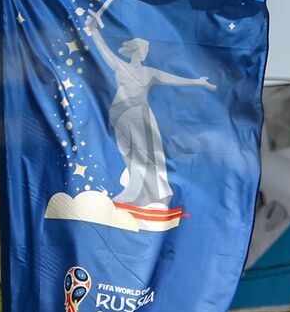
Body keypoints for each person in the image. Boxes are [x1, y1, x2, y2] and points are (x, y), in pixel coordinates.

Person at [83, 15, 217, 208]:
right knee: (129, 151)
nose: (145, 53)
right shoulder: (121, 67)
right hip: (121, 113)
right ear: (135, 51)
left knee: (148, 151)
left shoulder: (149, 72)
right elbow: (104, 51)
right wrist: (94, 31)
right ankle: (135, 189)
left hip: (140, 113)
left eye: (145, 50)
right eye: (143, 49)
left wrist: (197, 81)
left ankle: (154, 192)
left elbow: (172, 78)